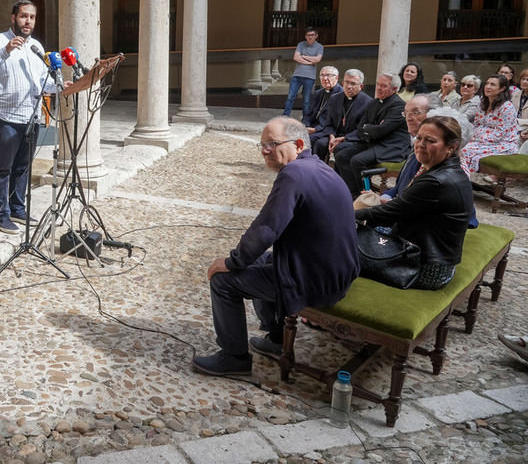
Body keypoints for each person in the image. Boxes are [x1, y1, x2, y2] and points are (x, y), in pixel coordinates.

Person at [191, 117, 358, 376]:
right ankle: (276, 339)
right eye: (261, 145)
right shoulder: (321, 169)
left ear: (299, 144)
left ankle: (234, 358)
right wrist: (246, 258)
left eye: (272, 144)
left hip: (316, 282)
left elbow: (266, 229)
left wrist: (231, 262)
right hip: (336, 273)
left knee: (223, 281)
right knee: (262, 261)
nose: (265, 151)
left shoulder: (294, 173)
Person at [355, 116, 474, 290]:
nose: (420, 144)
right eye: (419, 138)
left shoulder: (437, 181)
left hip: (424, 268)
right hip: (431, 254)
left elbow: (384, 215)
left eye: (430, 140)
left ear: (451, 147)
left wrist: (340, 216)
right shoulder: (448, 169)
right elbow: (404, 208)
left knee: (333, 245)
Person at [0, 0, 62, 234]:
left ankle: (17, 209)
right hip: (4, 118)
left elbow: (44, 82)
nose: (28, 21)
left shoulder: (37, 48)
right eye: (24, 16)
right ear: (13, 18)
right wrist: (6, 51)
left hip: (30, 118)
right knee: (3, 168)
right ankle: (0, 216)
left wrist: (62, 86)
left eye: (32, 17)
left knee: (22, 168)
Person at [332, 73, 410, 197]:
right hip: (374, 142)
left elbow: (381, 130)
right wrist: (372, 128)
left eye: (383, 86)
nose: (378, 88)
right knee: (341, 154)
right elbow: (360, 128)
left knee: (357, 161)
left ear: (394, 89)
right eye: (378, 84)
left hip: (391, 146)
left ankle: (365, 192)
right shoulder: (373, 103)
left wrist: (369, 128)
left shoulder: (399, 105)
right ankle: (352, 191)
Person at [461, 74, 519, 174]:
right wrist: (473, 137)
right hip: (481, 141)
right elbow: (476, 125)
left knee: (466, 150)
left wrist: (478, 138)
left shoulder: (507, 107)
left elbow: (499, 134)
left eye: (492, 84)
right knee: (459, 146)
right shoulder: (482, 104)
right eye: (487, 83)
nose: (487, 87)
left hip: (504, 144)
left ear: (502, 88)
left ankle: (463, 181)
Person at [311, 69, 371, 162]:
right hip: (335, 135)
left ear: (361, 86)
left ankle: (338, 175)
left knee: (340, 149)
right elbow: (329, 121)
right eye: (347, 82)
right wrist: (332, 137)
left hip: (352, 138)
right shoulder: (335, 98)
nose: (349, 86)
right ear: (342, 82)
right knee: (320, 144)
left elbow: (363, 129)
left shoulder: (368, 102)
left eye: (353, 83)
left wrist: (343, 138)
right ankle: (318, 171)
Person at [283, 28, 323, 119]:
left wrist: (303, 56)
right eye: (308, 35)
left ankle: (306, 119)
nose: (310, 37)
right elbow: (296, 57)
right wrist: (310, 62)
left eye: (312, 35)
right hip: (297, 75)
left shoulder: (319, 47)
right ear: (305, 36)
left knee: (307, 99)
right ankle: (285, 116)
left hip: (310, 76)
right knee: (290, 97)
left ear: (316, 36)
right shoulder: (301, 44)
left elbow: (317, 59)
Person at [302, 66, 342, 134]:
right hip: (312, 126)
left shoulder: (341, 94)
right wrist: (306, 125)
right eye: (322, 75)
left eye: (328, 75)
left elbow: (335, 120)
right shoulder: (318, 93)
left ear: (336, 77)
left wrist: (315, 129)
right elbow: (309, 113)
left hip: (326, 129)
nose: (325, 78)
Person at [510, 68, 528, 150]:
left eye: (527, 80)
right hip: (513, 126)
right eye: (523, 79)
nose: (524, 82)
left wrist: (518, 121)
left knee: (515, 139)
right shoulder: (515, 94)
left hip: (524, 127)